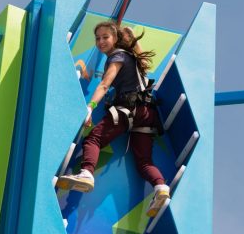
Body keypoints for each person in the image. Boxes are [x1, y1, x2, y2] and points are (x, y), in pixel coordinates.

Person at [56, 21, 170, 217]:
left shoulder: (117, 56)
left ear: (115, 39)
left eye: (105, 37)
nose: (100, 42)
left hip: (128, 110)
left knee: (93, 139)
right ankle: (160, 187)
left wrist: (90, 108)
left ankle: (86, 174)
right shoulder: (134, 59)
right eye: (97, 38)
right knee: (144, 162)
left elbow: (104, 85)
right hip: (147, 114)